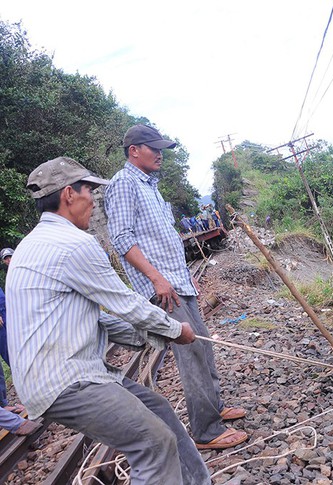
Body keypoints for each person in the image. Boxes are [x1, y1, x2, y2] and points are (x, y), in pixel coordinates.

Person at [6, 156, 210, 484]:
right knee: (153, 443)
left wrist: (147, 337)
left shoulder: (30, 246)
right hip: (69, 380)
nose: (93, 199)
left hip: (63, 375)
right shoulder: (73, 245)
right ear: (69, 194)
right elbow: (125, 302)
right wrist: (174, 330)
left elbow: (93, 317)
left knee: (160, 412)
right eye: (89, 190)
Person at [105, 124, 248, 450]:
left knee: (203, 345)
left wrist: (183, 274)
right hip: (163, 288)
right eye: (153, 148)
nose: (159, 154)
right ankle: (206, 430)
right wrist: (157, 278)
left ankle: (215, 408)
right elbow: (123, 239)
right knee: (191, 351)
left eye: (161, 149)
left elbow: (162, 240)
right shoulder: (124, 184)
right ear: (134, 151)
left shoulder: (149, 185)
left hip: (177, 282)